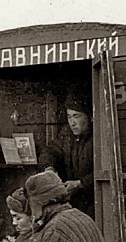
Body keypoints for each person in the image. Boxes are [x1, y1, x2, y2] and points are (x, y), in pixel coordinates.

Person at [39, 87, 94, 217]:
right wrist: (49, 169)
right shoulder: (66, 135)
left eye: (76, 116)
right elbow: (51, 151)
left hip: (94, 202)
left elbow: (103, 170)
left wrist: (81, 184)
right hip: (73, 201)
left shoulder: (97, 137)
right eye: (69, 117)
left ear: (90, 117)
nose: (72, 123)